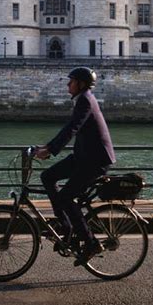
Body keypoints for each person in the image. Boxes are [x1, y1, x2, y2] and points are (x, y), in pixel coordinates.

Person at [35, 66, 116, 265]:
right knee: (47, 176)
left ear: (80, 84)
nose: (67, 84)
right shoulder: (83, 99)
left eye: (70, 81)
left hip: (95, 161)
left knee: (66, 197)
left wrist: (51, 150)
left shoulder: (86, 100)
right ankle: (65, 225)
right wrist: (47, 146)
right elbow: (69, 128)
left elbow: (72, 128)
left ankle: (90, 243)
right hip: (83, 156)